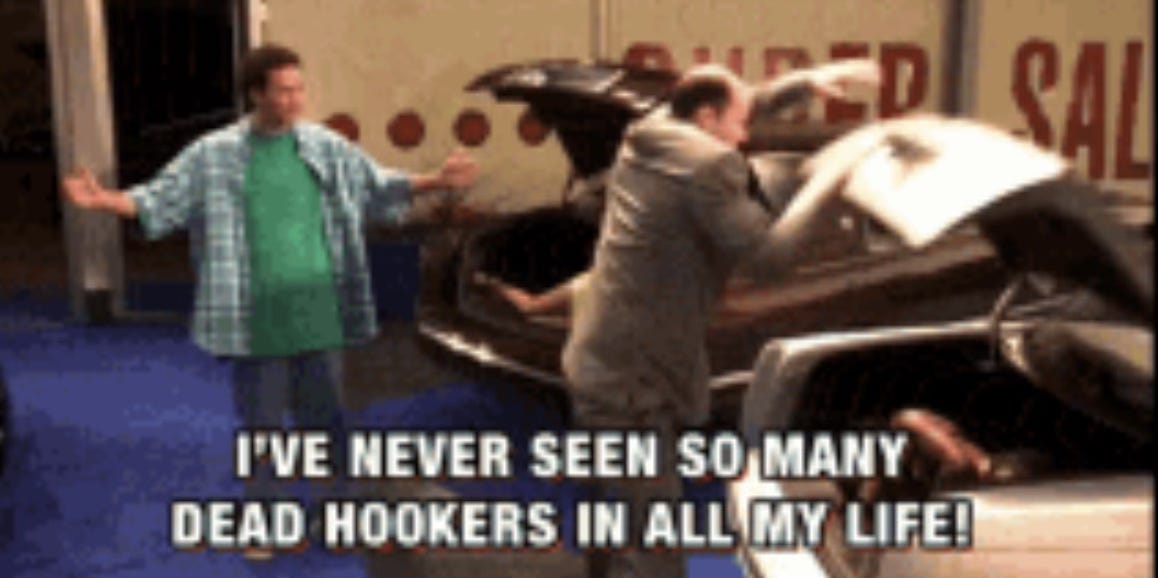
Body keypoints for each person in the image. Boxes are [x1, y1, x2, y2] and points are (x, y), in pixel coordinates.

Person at [60, 44, 478, 560]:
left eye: (299, 88)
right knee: (263, 429)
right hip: (256, 318)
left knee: (326, 423)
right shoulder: (214, 154)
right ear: (256, 93)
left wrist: (438, 180)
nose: (296, 98)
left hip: (321, 312)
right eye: (284, 90)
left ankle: (334, 515)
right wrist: (103, 200)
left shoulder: (324, 146)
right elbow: (160, 198)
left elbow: (377, 185)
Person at [560, 59, 881, 578]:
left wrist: (806, 84)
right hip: (634, 384)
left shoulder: (651, 131)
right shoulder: (708, 166)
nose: (745, 136)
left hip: (599, 357)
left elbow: (737, 101)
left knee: (612, 518)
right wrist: (825, 181)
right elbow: (768, 259)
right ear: (707, 119)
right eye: (738, 124)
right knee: (654, 545)